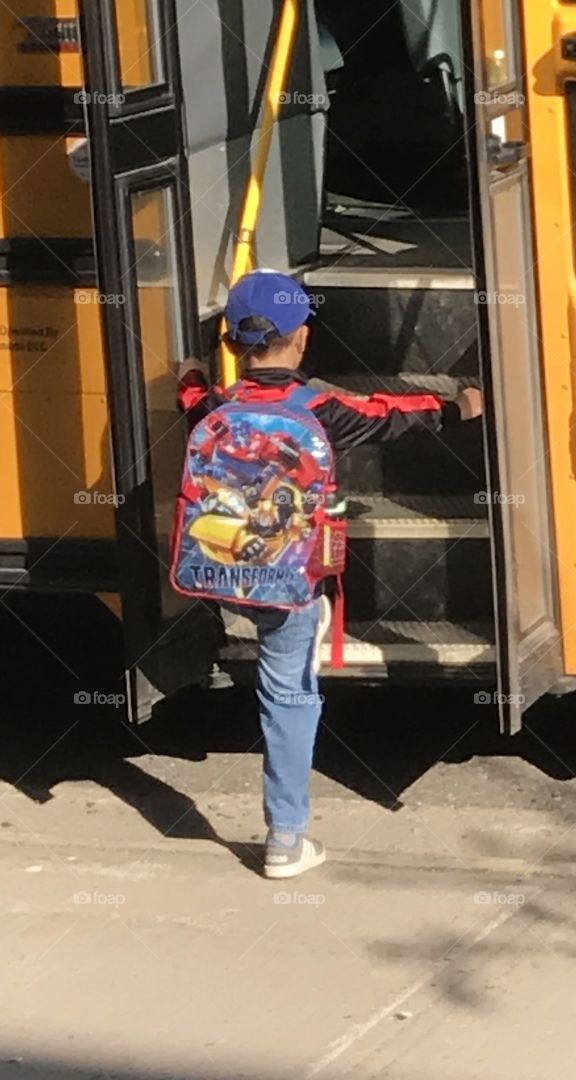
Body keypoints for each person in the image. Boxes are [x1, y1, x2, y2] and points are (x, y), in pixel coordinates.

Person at [176, 268, 482, 880]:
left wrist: (189, 369)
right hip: (292, 580)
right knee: (288, 692)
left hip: (225, 573)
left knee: (277, 679)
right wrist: (459, 406)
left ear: (233, 344)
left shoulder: (214, 405)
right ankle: (284, 839)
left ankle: (288, 833)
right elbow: (391, 414)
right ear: (303, 339)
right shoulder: (320, 408)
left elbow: (189, 395)